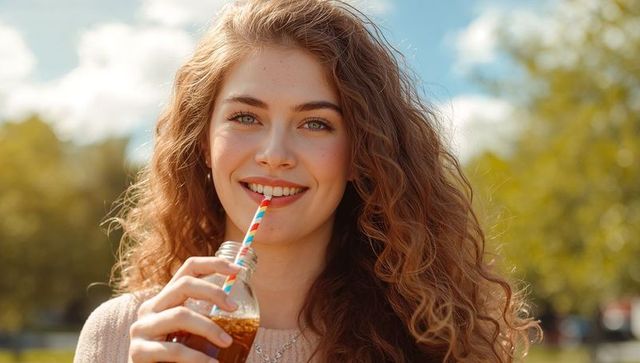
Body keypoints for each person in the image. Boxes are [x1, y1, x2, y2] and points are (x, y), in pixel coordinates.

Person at [74, 0, 541, 362]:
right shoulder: (122, 336)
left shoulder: (429, 344)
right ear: (202, 143)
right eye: (245, 117)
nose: (275, 154)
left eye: (315, 123)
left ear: (362, 153)